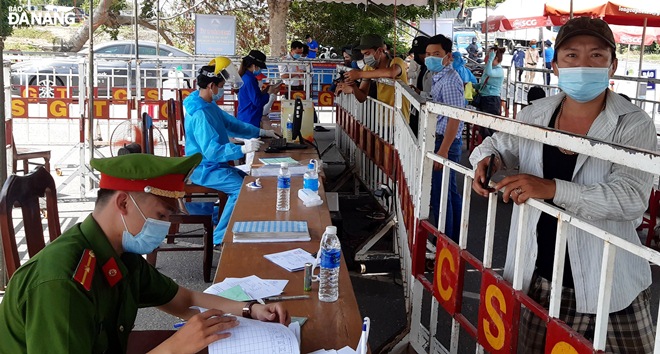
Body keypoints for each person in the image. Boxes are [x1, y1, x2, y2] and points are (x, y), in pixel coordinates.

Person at [469, 17, 655, 353]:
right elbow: (498, 146)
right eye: (571, 55)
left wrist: (552, 188)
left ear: (612, 66)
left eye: (596, 56)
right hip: (540, 272)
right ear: (555, 66)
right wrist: (487, 160)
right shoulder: (535, 115)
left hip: (607, 281)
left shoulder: (633, 124)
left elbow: (631, 198)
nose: (584, 64)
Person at [0, 153, 291, 353]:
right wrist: (175, 347)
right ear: (124, 203)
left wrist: (250, 310)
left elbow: (184, 299)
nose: (165, 227)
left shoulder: (120, 254)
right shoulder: (62, 284)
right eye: (162, 216)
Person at [184, 57, 278, 245]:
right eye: (220, 85)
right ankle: (219, 238)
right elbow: (212, 152)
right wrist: (242, 148)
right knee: (240, 189)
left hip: (213, 165)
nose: (222, 90)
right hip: (204, 168)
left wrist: (260, 131)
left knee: (249, 183)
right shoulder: (200, 113)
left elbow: (231, 124)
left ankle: (228, 221)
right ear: (211, 85)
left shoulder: (205, 103)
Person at [425, 34, 466, 242]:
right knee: (448, 191)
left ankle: (444, 240)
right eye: (429, 54)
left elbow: (454, 118)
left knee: (442, 195)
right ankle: (453, 239)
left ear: (448, 56)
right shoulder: (440, 76)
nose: (431, 58)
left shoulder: (450, 80)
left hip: (445, 142)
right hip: (442, 139)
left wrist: (444, 149)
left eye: (437, 54)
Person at [338, 34, 410, 123]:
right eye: (363, 54)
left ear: (379, 50)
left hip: (400, 119)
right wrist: (354, 87)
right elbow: (362, 97)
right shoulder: (368, 68)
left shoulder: (396, 61)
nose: (365, 58)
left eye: (367, 53)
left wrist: (359, 74)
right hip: (382, 119)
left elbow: (391, 72)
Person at [237, 50, 281, 128]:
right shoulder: (249, 80)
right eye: (260, 67)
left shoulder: (247, 77)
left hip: (248, 117)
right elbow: (257, 102)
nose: (260, 70)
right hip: (249, 119)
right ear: (254, 66)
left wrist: (266, 90)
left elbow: (254, 96)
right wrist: (269, 93)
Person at [408, 35, 431, 135]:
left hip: (428, 112)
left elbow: (436, 96)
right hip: (417, 107)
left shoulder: (434, 70)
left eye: (420, 53)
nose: (417, 56)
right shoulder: (423, 67)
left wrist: (421, 93)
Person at [476, 46, 506, 116]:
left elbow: (490, 73)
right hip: (484, 98)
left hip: (492, 100)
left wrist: (490, 59)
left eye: (489, 56)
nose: (486, 57)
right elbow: (483, 84)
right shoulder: (489, 68)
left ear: (495, 58)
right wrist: (473, 85)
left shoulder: (499, 70)